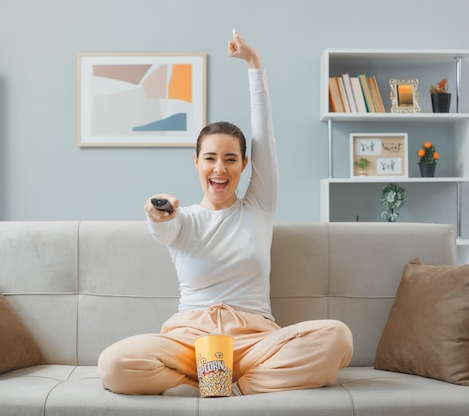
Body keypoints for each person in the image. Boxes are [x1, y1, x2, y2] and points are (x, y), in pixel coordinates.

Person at [97, 31, 353, 396]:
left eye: (231, 159)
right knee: (113, 364)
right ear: (196, 163)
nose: (220, 168)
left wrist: (254, 64)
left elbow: (266, 135)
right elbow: (162, 230)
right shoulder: (181, 221)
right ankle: (204, 382)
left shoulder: (259, 208)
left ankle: (232, 388)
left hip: (253, 343)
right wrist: (158, 216)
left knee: (337, 338)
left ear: (245, 164)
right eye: (211, 158)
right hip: (189, 341)